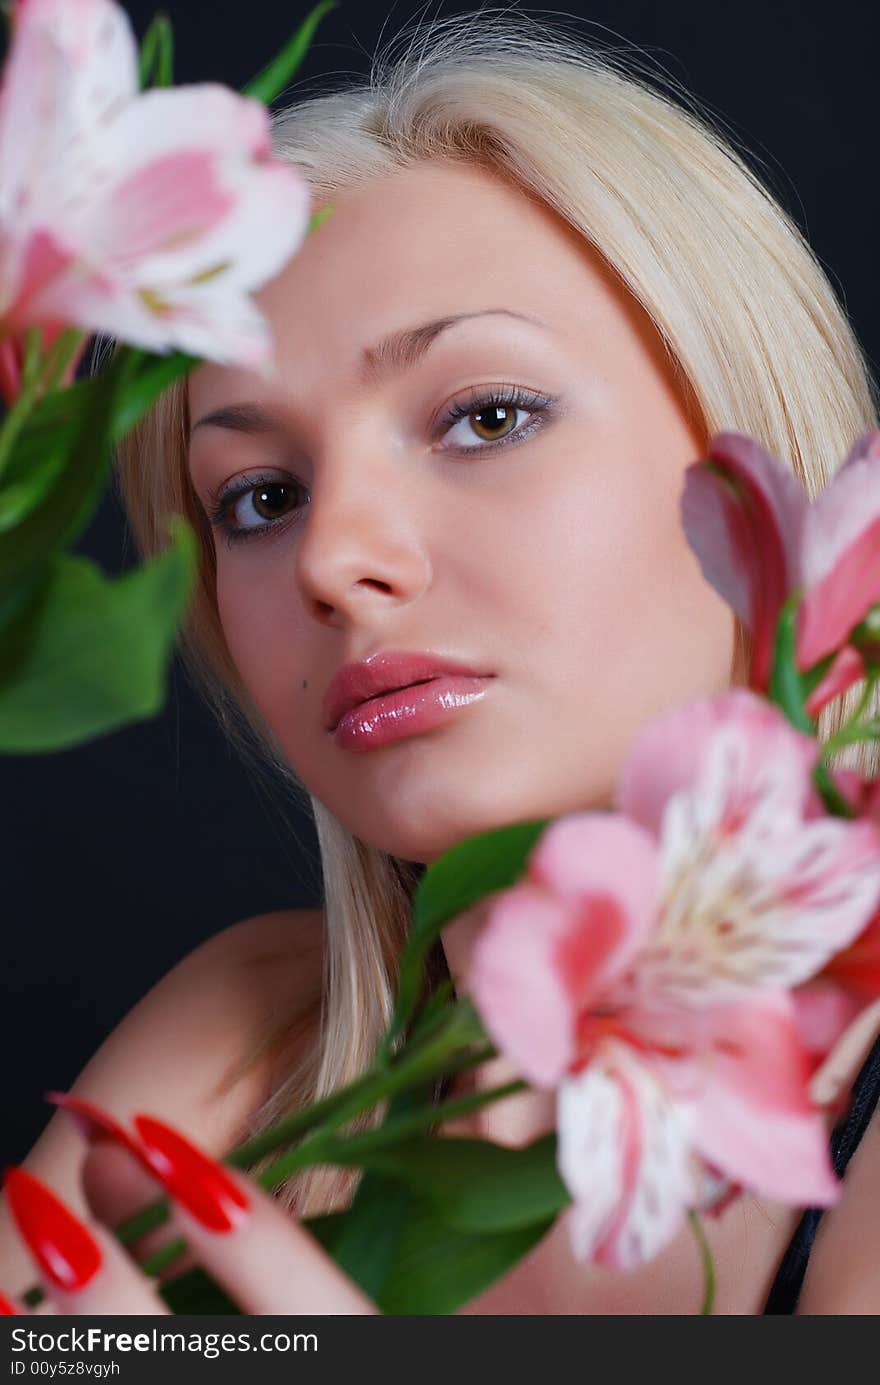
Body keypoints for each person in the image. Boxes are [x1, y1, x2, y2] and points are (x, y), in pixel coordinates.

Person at [2, 9, 880, 1316]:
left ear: (758, 465)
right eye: (257, 494)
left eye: (486, 415)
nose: (331, 558)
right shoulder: (239, 1040)